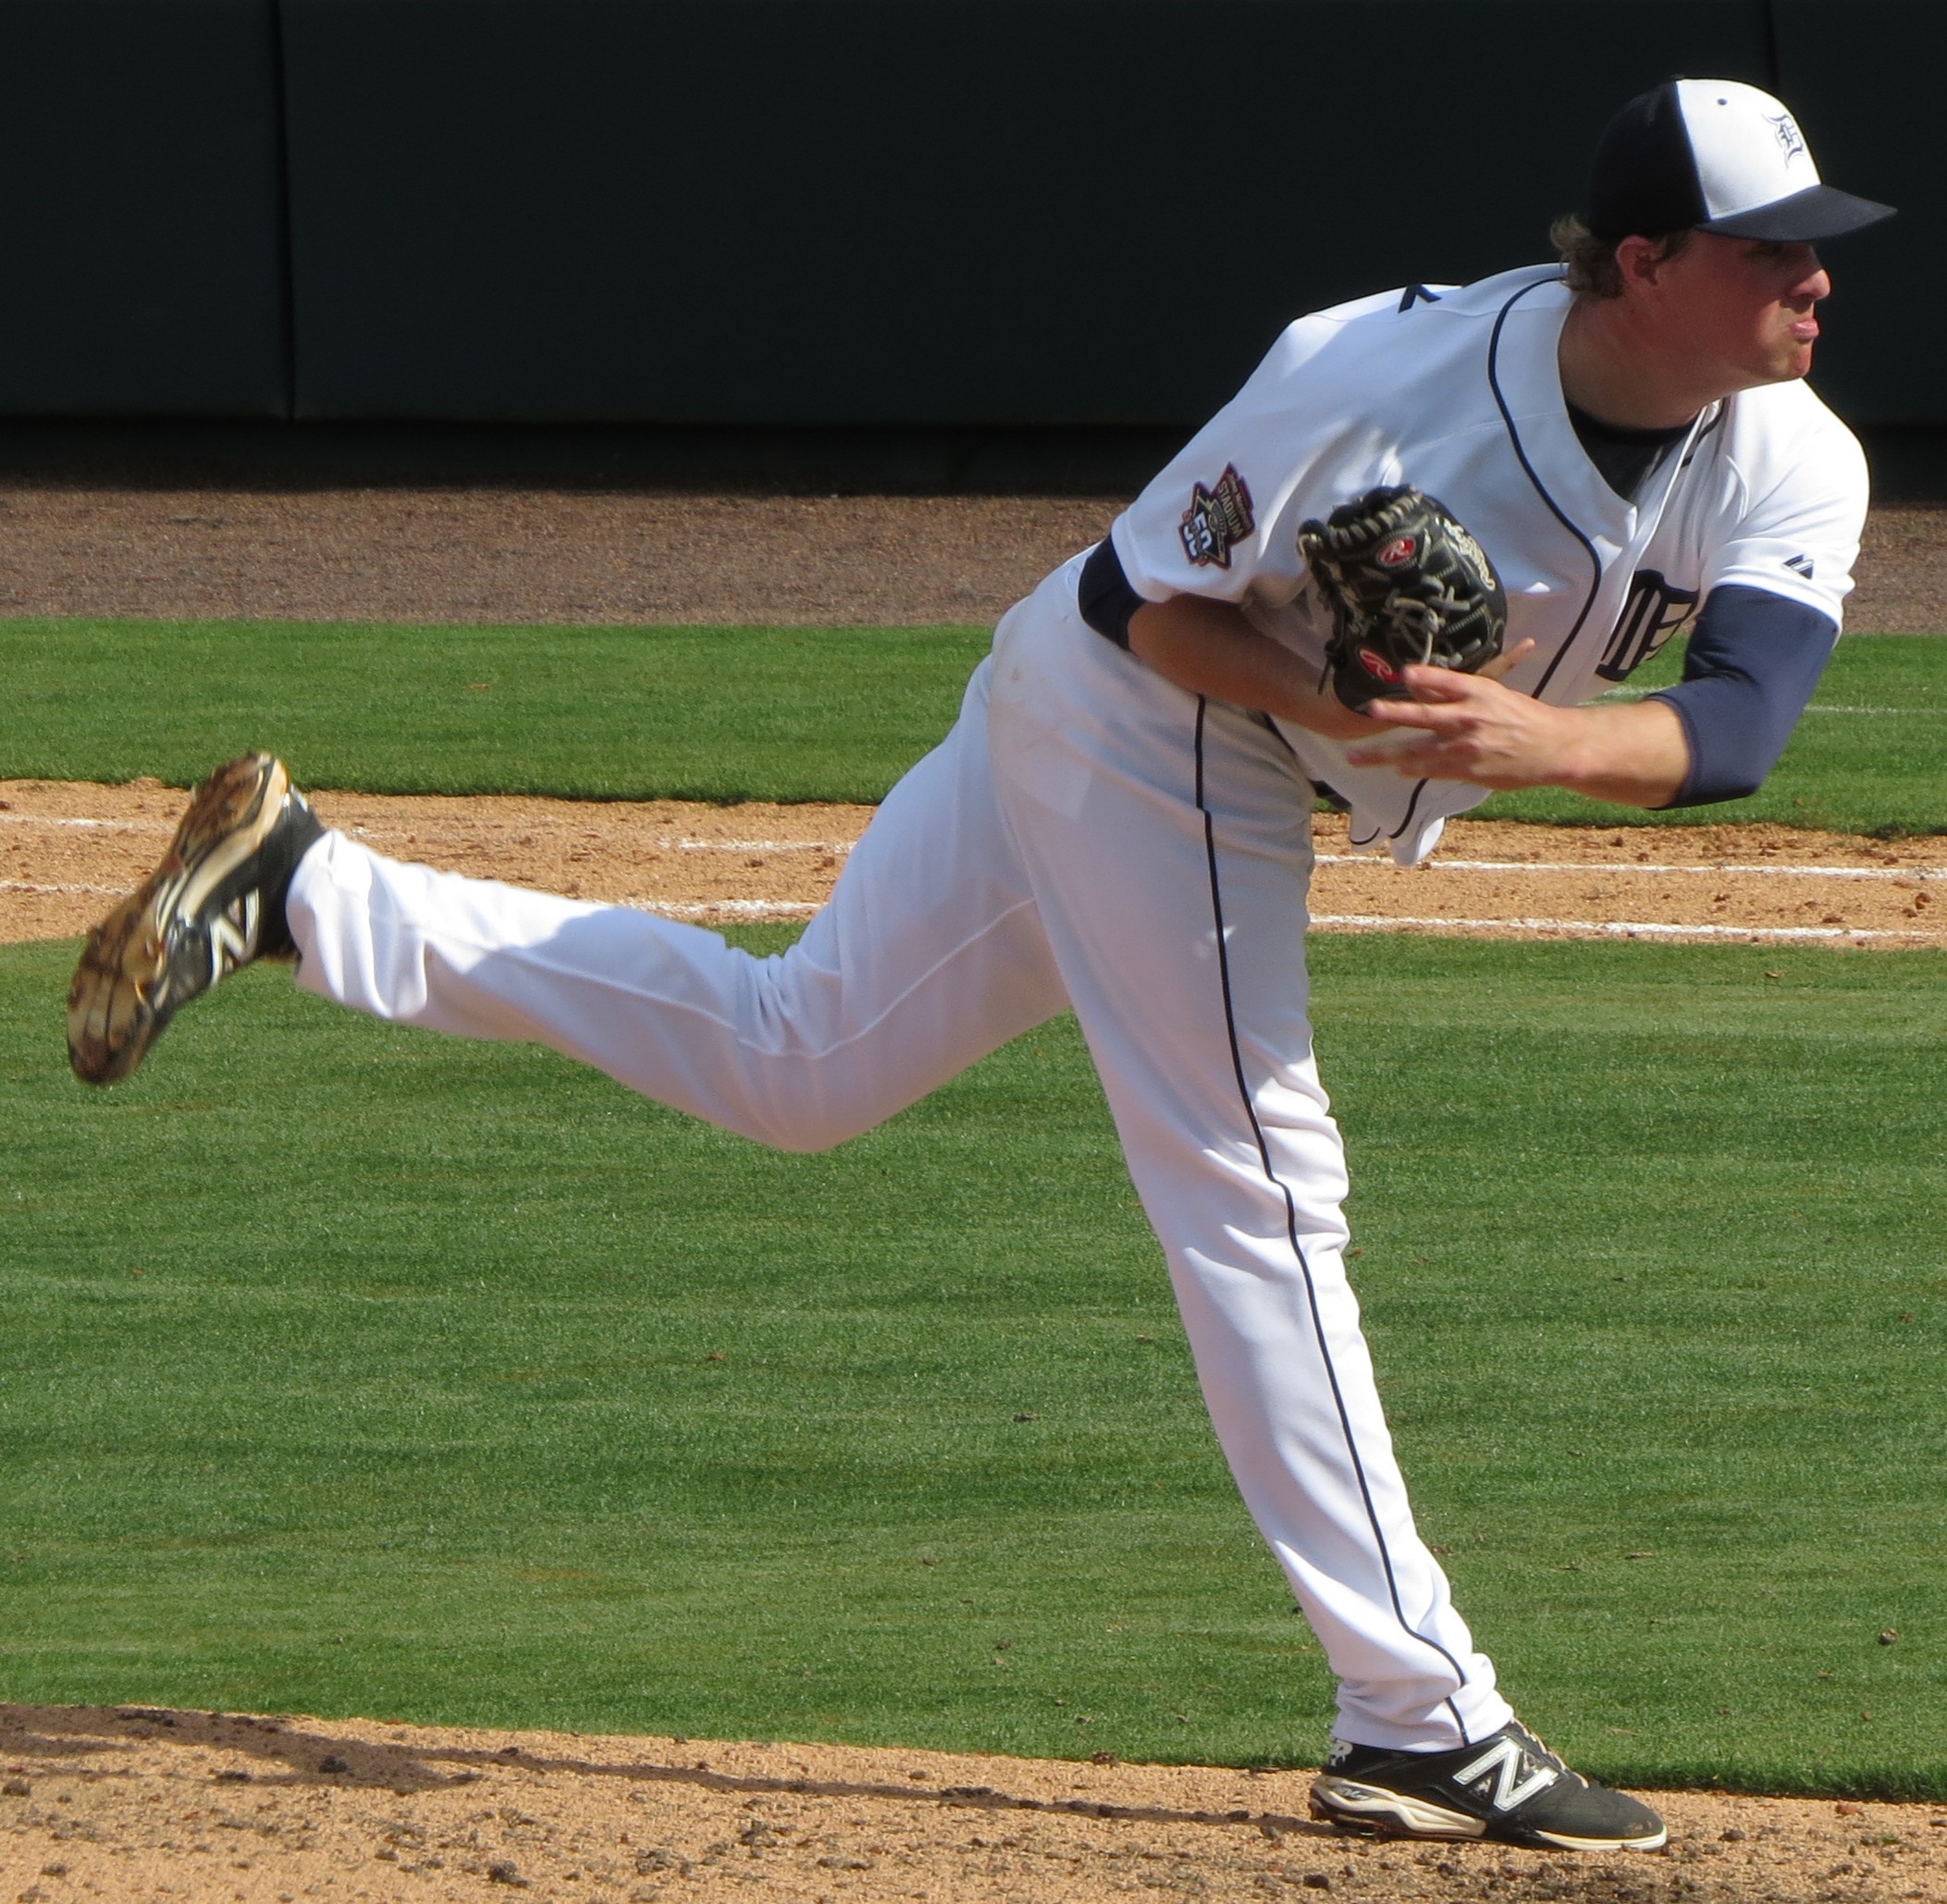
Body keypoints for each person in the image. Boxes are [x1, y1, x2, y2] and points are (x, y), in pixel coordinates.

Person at [68, 79, 1891, 1853]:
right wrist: (1354, 696)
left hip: (1184, 728)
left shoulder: (1796, 451)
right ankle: (1422, 1714)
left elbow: (1738, 722)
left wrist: (1525, 740)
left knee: (800, 1062)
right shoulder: (1371, 378)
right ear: (1643, 263)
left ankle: (306, 894)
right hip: (1152, 720)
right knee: (1258, 1182)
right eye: (1772, 251)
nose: (1817, 280)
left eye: (1819, 248)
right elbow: (1137, 606)